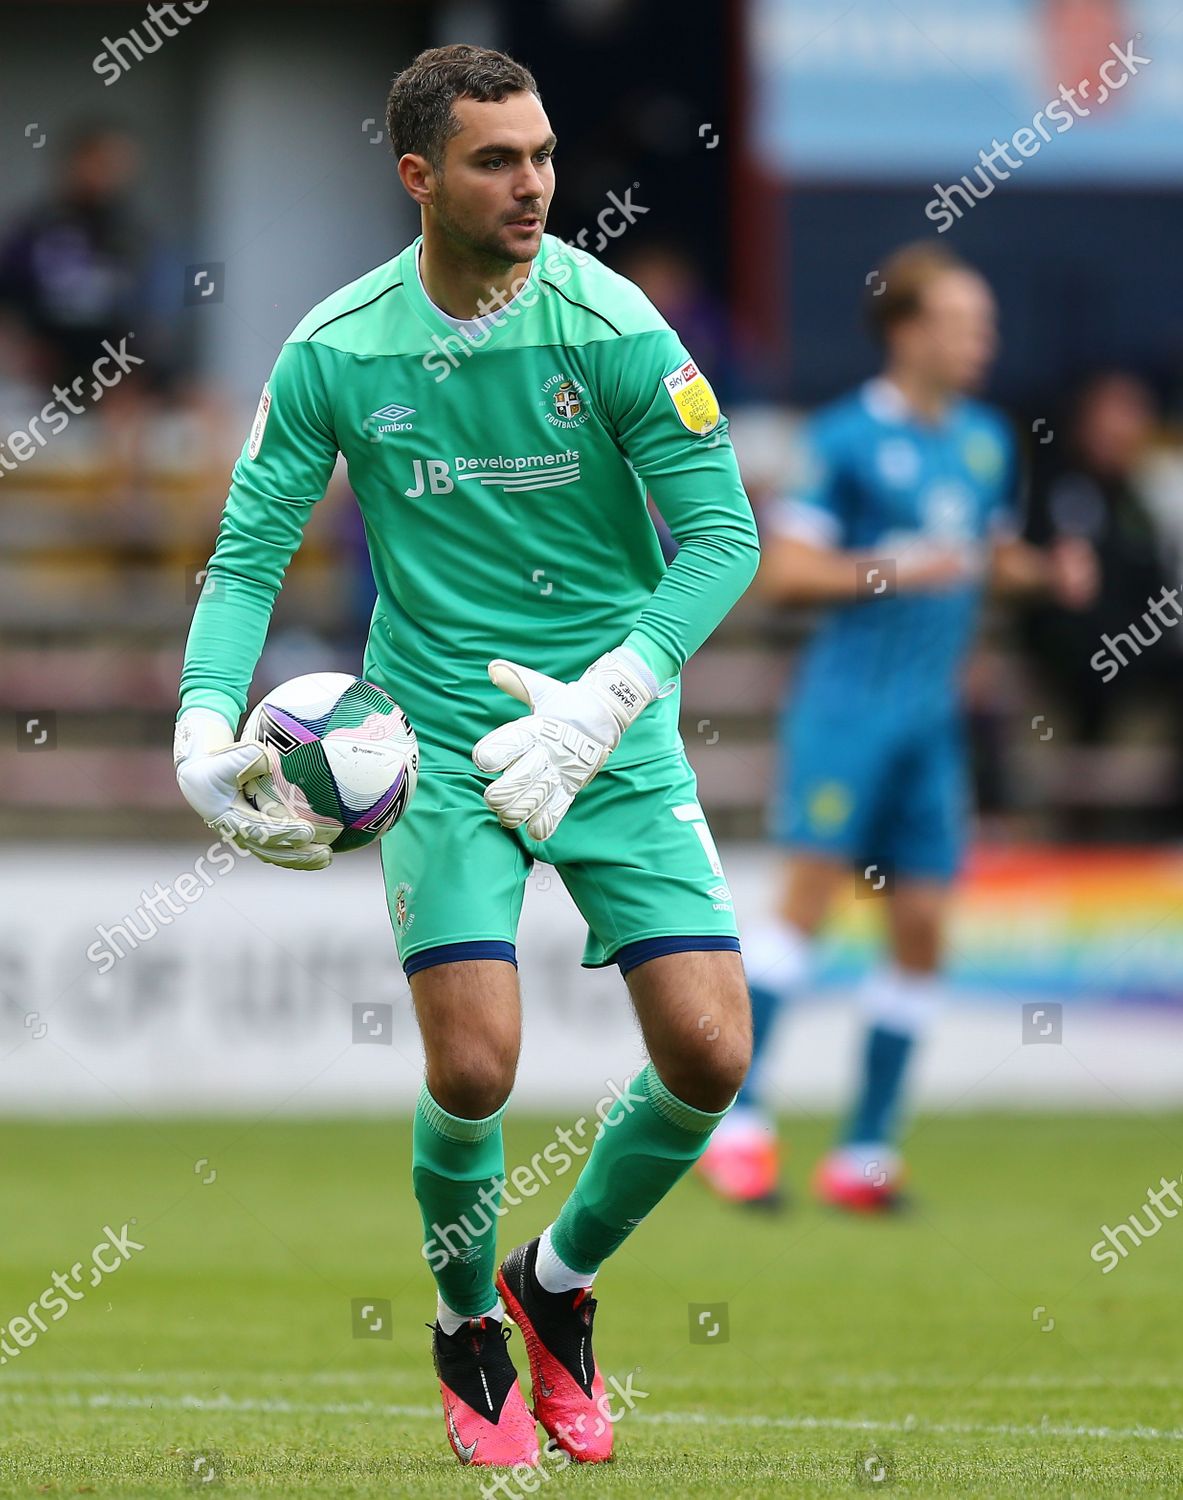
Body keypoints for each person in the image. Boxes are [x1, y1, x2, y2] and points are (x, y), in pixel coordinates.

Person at [173, 45, 759, 1469]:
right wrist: (201, 720)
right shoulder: (338, 346)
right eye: (497, 161)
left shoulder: (612, 323)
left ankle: (548, 1289)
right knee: (481, 1067)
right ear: (417, 177)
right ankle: (460, 1326)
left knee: (706, 1051)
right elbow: (251, 546)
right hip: (432, 734)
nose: (533, 184)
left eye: (544, 155)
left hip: (603, 729)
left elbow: (726, 538)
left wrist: (605, 698)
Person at [696, 242, 1094, 1211]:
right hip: (845, 711)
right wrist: (892, 567)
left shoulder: (986, 441)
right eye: (963, 324)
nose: (981, 342)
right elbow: (785, 573)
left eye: (985, 326)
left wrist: (1046, 573)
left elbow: (980, 554)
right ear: (907, 331)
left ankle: (863, 1155)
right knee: (807, 910)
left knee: (920, 927)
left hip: (930, 723)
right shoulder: (840, 439)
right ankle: (738, 1127)